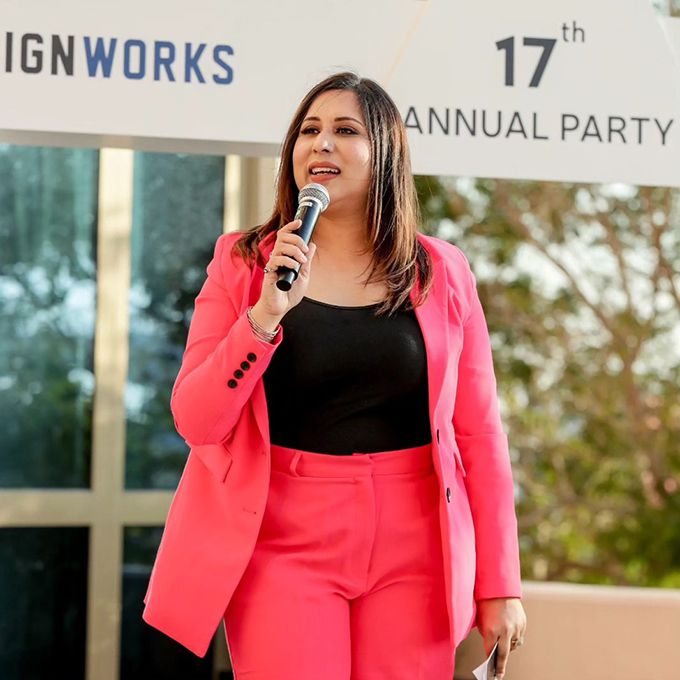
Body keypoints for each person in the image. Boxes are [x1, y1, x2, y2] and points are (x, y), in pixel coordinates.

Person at [142, 71, 527, 680]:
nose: (321, 143)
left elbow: (479, 434)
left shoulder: (442, 271)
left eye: (346, 130)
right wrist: (263, 317)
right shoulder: (243, 263)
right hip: (282, 537)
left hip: (417, 542)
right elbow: (196, 420)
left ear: (385, 153)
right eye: (309, 130)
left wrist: (500, 583)